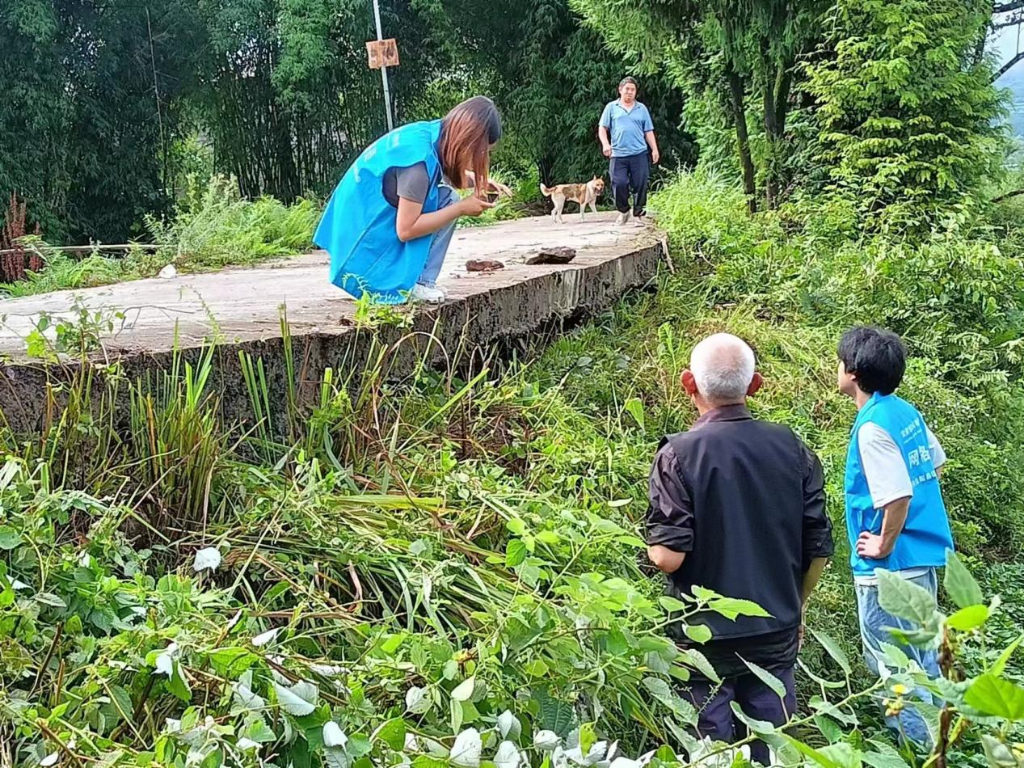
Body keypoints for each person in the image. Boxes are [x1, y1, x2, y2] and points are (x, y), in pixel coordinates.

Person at [646, 333, 834, 766]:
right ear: (756, 385)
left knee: (709, 752)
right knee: (773, 745)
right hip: (776, 631)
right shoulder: (793, 448)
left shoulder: (677, 455)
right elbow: (818, 545)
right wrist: (797, 607)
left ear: (688, 383)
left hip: (703, 639)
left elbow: (666, 556)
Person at [838, 326, 954, 746]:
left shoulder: (871, 428)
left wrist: (884, 542)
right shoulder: (905, 412)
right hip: (920, 559)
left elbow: (898, 493)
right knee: (923, 659)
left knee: (894, 668)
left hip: (890, 570)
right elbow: (933, 466)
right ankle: (942, 743)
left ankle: (919, 751)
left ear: (852, 372)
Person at [314, 96, 511, 305]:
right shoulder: (416, 166)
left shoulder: (431, 134)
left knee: (447, 198)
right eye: (479, 153)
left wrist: (481, 181)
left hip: (354, 226)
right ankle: (419, 283)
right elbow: (406, 229)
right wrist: (462, 208)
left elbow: (444, 172)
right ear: (467, 141)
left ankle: (422, 281)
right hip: (361, 245)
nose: (476, 159)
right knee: (451, 202)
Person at [598, 77, 660, 226]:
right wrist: (606, 145)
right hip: (618, 154)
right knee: (618, 183)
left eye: (633, 90)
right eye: (627, 89)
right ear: (620, 90)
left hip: (639, 153)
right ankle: (623, 210)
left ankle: (638, 215)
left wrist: (655, 149)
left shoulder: (641, 108)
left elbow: (648, 131)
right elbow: (602, 128)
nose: (630, 92)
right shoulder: (611, 108)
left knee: (640, 184)